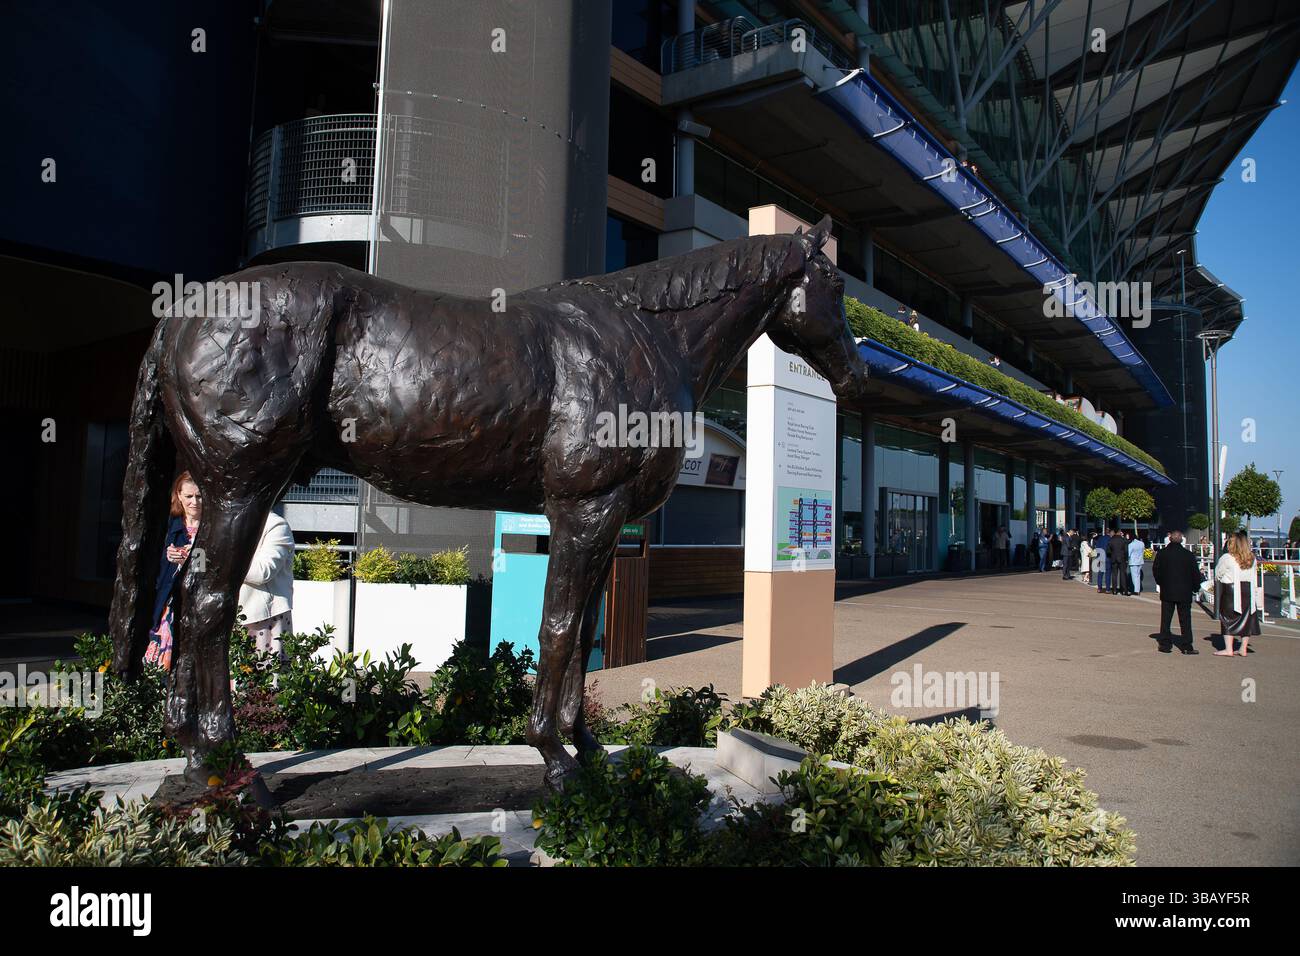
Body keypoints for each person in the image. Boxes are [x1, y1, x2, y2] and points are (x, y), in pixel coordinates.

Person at [144, 472, 201, 671]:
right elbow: (151, 566)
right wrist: (166, 555)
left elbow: (209, 568)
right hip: (168, 599)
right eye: (189, 496)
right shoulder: (169, 525)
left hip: (196, 601)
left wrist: (190, 559)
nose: (194, 502)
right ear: (178, 495)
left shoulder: (210, 528)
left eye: (199, 496)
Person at [238, 509, 297, 661]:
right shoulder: (215, 520)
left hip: (262, 620)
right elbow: (202, 567)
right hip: (223, 620)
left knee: (266, 682)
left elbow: (262, 572)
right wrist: (188, 560)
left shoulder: (276, 525)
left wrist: (220, 563)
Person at [1152, 530, 1201, 654]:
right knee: (1185, 619)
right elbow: (1195, 574)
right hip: (1184, 591)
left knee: (1166, 619)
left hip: (1168, 590)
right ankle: (1186, 645)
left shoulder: (1162, 554)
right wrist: (1195, 587)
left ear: (1170, 539)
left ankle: (1165, 644)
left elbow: (1156, 570)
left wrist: (1161, 583)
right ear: (1181, 540)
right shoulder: (1188, 555)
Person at [1213, 531, 1261, 657]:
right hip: (1248, 590)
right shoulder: (1252, 558)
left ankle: (1228, 649)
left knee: (1228, 618)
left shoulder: (1227, 558)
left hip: (1231, 590)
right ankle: (1243, 648)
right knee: (1247, 617)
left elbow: (1218, 573)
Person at [1107, 530, 1128, 594]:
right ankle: (1124, 590)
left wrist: (1112, 555)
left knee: (1114, 574)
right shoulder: (1123, 540)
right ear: (1119, 533)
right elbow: (1126, 550)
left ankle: (1114, 590)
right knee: (1122, 574)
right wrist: (1126, 558)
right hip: (1122, 558)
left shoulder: (1111, 540)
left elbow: (1108, 551)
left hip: (1113, 558)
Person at [1096, 528, 1111, 592]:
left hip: (1101, 557)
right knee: (1108, 574)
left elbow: (1097, 548)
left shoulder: (1100, 538)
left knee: (1100, 574)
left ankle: (1099, 588)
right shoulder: (1111, 539)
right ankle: (1107, 589)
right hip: (1108, 558)